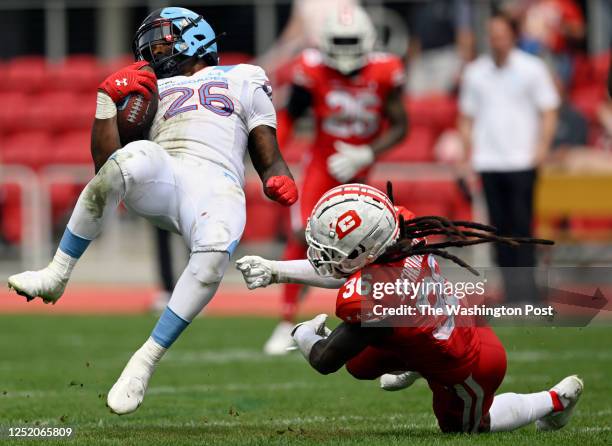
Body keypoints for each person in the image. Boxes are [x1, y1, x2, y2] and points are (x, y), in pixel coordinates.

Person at [7, 7, 297, 415]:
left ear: (196, 40)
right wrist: (106, 101)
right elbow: (104, 168)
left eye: (162, 41)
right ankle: (56, 274)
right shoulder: (150, 89)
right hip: (165, 170)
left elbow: (267, 149)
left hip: (216, 183)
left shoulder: (245, 76)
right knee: (134, 157)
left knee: (214, 257)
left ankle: (143, 362)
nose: (152, 52)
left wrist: (276, 177)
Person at [236, 183, 582, 434]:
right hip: (430, 322)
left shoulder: (379, 294)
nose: (325, 250)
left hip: (466, 358)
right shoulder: (400, 226)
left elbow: (325, 360)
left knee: (468, 429)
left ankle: (553, 402)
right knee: (359, 365)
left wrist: (302, 333)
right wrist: (276, 270)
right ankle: (414, 363)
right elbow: (347, 270)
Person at [264, 5, 408, 354]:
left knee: (379, 243)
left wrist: (369, 153)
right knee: (303, 234)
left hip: (361, 170)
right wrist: (275, 161)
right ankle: (286, 321)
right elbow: (289, 117)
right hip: (322, 166)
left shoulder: (386, 69)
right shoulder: (311, 67)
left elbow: (402, 124)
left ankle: (379, 321)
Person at [458, 13, 559, 305]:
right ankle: (510, 291)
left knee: (522, 227)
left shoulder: (532, 69)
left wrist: (541, 149)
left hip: (521, 161)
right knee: (498, 231)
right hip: (489, 161)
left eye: (501, 34)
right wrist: (467, 154)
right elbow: (466, 117)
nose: (497, 40)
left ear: (512, 36)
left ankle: (528, 290)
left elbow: (549, 110)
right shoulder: (476, 72)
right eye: (492, 34)